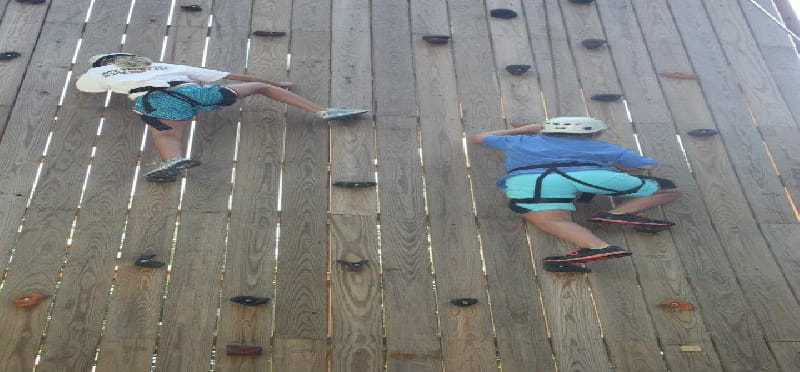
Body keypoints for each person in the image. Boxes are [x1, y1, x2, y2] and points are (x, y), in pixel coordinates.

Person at [76, 53, 368, 182]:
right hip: (196, 92)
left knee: (166, 134)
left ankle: (173, 161)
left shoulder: (100, 72)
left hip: (159, 102)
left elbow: (86, 89)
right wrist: (273, 82)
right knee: (260, 88)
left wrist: (100, 77)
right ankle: (322, 110)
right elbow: (226, 76)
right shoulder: (162, 64)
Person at [467, 117, 681, 270]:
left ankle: (597, 247)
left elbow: (478, 138)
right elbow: (647, 165)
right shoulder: (603, 147)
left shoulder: (523, 140)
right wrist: (610, 163)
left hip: (532, 182)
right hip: (590, 175)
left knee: (553, 221)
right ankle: (619, 213)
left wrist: (523, 130)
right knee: (667, 189)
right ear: (590, 134)